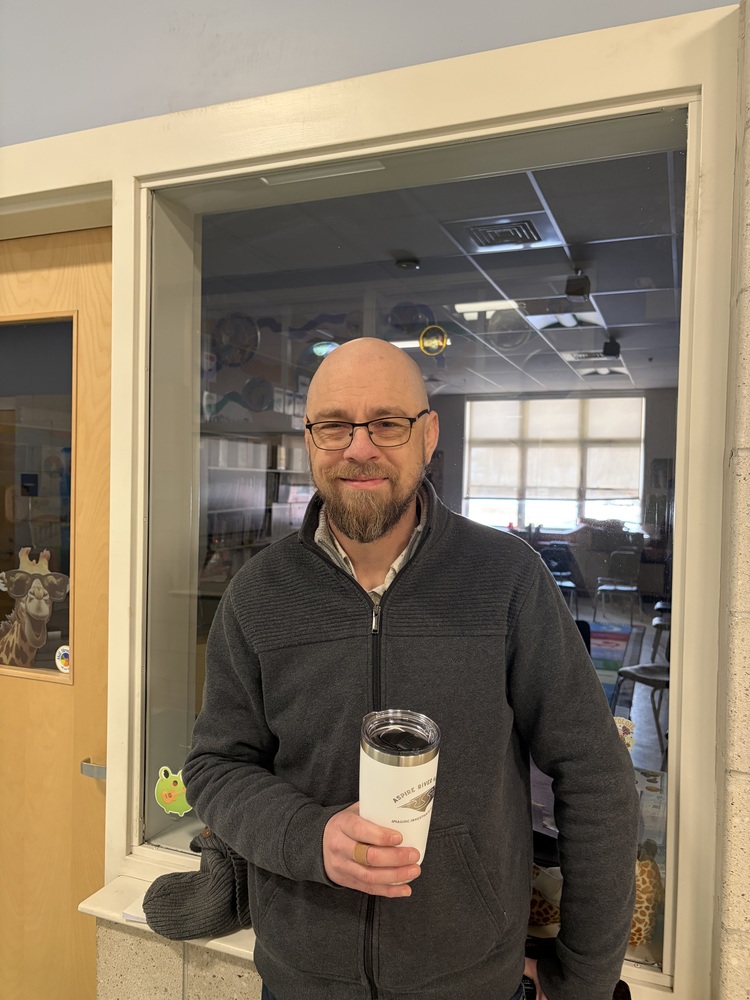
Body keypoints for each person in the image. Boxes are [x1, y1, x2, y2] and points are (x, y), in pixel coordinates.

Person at [183, 337, 639, 1000]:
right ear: (310, 440)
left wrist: (585, 981)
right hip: (300, 983)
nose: (359, 447)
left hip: (475, 983)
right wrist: (310, 837)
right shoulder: (257, 597)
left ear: (428, 437)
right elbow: (216, 767)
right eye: (335, 425)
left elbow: (595, 777)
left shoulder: (508, 582)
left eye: (387, 424)